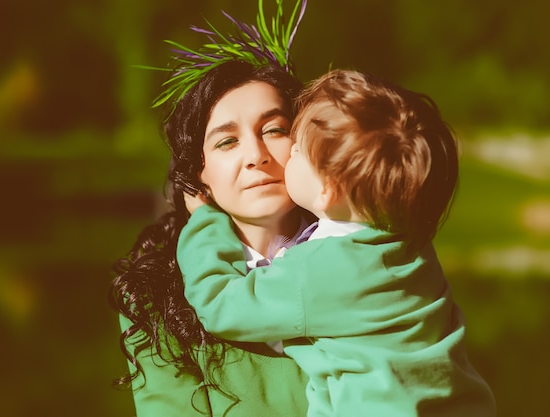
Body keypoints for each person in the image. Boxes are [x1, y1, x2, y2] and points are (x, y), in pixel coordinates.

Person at [177, 69, 497, 416]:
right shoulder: (410, 248)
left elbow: (220, 304)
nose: (261, 155)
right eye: (227, 141)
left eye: (291, 144)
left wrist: (206, 222)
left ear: (327, 187)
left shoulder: (315, 272)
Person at [110, 1, 314, 416]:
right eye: (227, 141)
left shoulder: (364, 254)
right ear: (199, 174)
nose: (255, 154)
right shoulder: (156, 295)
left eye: (273, 129)